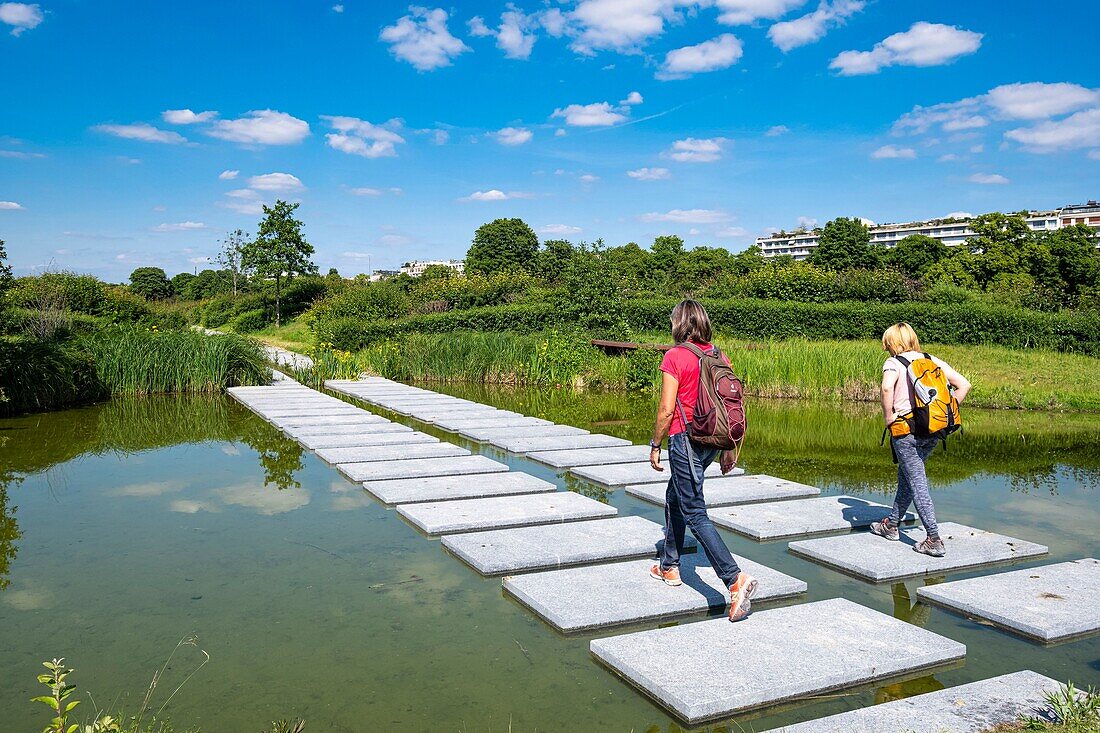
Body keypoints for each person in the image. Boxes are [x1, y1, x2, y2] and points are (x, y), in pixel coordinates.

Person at [648, 299, 757, 622]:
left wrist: (656, 443)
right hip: (712, 440)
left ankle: (734, 579)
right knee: (675, 495)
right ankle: (669, 566)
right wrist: (728, 447)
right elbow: (729, 403)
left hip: (686, 439)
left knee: (694, 510)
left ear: (679, 324)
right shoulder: (719, 355)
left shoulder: (675, 356)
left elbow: (667, 408)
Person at [870, 322, 970, 556]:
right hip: (933, 430)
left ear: (891, 343)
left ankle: (933, 539)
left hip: (905, 430)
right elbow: (964, 385)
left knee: (917, 482)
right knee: (908, 475)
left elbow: (886, 389)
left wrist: (889, 417)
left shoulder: (894, 363)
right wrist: (946, 412)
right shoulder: (931, 360)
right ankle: (891, 525)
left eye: (887, 343)